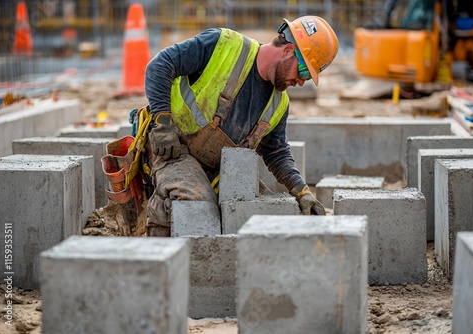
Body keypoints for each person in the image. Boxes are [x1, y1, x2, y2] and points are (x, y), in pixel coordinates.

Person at [144, 16, 339, 236]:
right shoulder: (223, 45)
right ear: (288, 51)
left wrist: (302, 191)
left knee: (264, 210)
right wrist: (162, 123)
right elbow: (160, 66)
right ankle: (159, 238)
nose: (301, 82)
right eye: (303, 72)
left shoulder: (279, 103)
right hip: (176, 150)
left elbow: (276, 152)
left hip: (221, 169)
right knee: (196, 202)